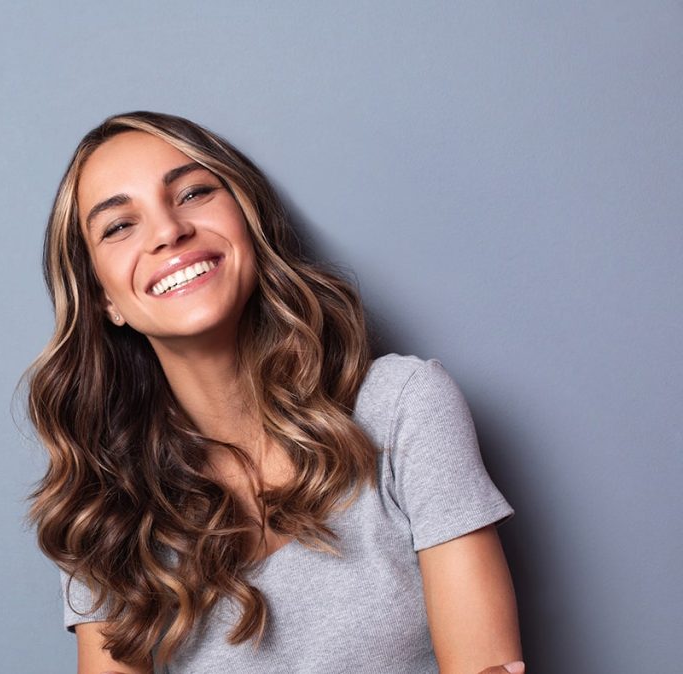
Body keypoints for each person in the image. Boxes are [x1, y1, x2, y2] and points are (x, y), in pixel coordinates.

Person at [26, 111, 523, 674]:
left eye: (192, 192)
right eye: (119, 226)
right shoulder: (106, 511)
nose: (168, 231)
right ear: (103, 300)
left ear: (248, 221)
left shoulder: (403, 409)